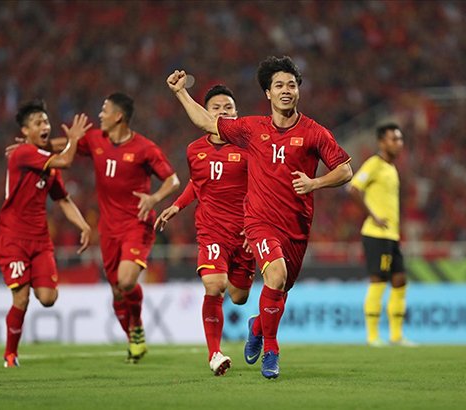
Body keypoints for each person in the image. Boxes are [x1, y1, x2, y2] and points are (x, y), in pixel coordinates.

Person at [166, 56, 353, 379]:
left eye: (291, 85)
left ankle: (257, 326)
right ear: (268, 92)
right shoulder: (252, 129)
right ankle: (271, 350)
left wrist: (315, 183)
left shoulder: (314, 133)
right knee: (275, 276)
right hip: (259, 222)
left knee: (279, 287)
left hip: (296, 225)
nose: (286, 90)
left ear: (298, 91)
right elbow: (208, 123)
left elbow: (345, 170)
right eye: (279, 85)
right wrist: (181, 93)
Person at [154, 85, 254, 376]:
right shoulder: (194, 150)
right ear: (204, 113)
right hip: (211, 231)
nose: (223, 113)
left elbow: (263, 189)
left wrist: (256, 224)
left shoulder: (249, 148)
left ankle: (255, 325)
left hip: (245, 234)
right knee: (214, 285)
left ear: (237, 114)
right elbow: (197, 183)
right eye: (216, 108)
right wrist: (177, 205)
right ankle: (214, 354)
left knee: (239, 297)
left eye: (228, 108)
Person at [75, 93, 180, 363]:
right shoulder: (96, 140)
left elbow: (173, 180)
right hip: (108, 230)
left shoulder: (145, 149)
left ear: (118, 116)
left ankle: (137, 328)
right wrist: (36, 146)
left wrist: (154, 198)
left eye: (105, 110)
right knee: (116, 290)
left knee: (126, 281)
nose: (100, 115)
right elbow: (65, 147)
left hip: (137, 224)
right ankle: (134, 335)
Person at [0, 99, 92, 367]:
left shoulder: (46, 165)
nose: (45, 126)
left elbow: (63, 199)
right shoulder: (23, 153)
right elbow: (66, 160)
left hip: (40, 240)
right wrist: (73, 139)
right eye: (38, 123)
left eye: (46, 122)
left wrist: (84, 225)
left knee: (48, 298)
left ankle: (12, 349)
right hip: (13, 238)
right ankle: (10, 354)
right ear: (25, 131)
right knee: (21, 298)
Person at [348, 123, 412, 347]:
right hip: (376, 234)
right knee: (379, 280)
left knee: (400, 280)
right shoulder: (374, 164)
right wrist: (373, 215)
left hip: (392, 235)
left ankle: (396, 336)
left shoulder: (391, 168)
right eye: (394, 139)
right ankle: (373, 336)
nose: (398, 143)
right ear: (382, 142)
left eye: (400, 139)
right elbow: (354, 188)